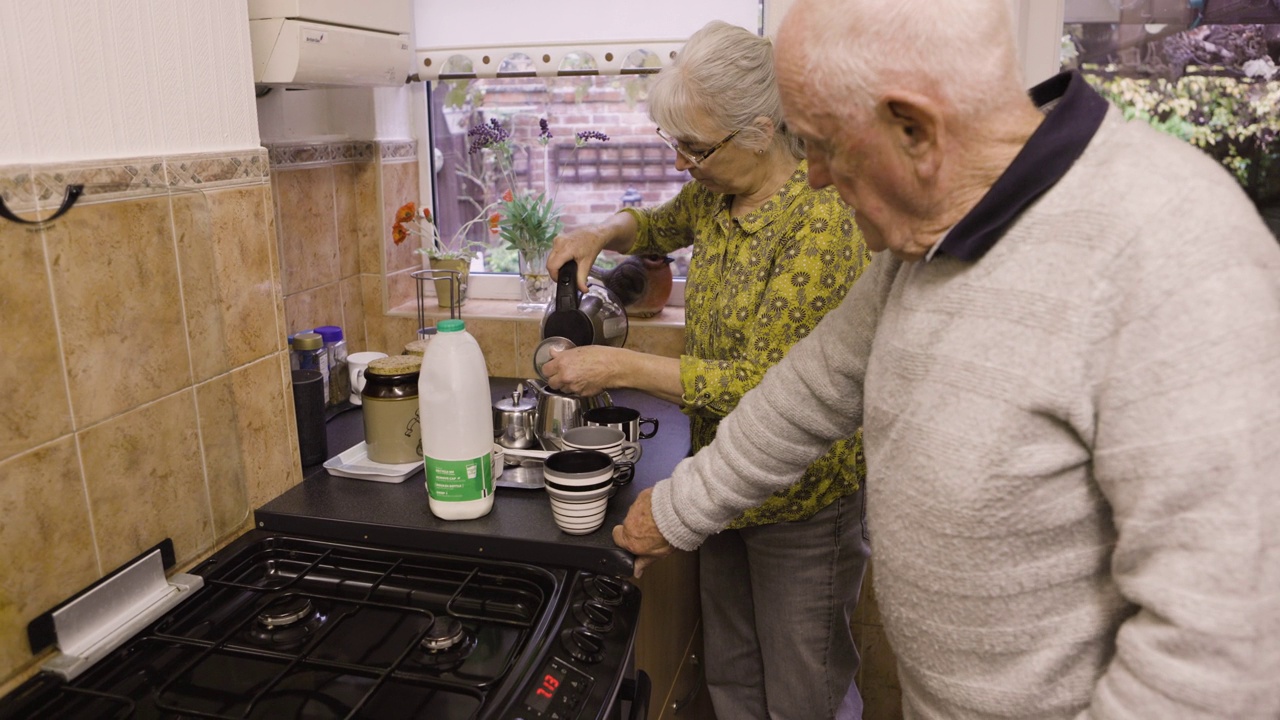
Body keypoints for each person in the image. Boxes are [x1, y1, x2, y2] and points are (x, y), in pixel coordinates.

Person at [613, 0, 1280, 717]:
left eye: (824, 146)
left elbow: (1219, 653)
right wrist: (678, 508)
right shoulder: (926, 236)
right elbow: (807, 392)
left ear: (915, 128)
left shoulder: (1178, 250)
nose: (813, 180)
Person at [543, 20, 874, 720]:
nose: (682, 164)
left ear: (758, 130)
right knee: (733, 676)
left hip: (802, 501)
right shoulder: (719, 191)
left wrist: (621, 365)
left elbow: (769, 385)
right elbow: (659, 225)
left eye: (694, 147)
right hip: (721, 483)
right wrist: (600, 233)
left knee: (805, 696)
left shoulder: (820, 222)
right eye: (677, 145)